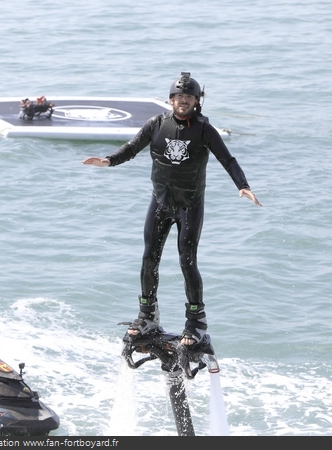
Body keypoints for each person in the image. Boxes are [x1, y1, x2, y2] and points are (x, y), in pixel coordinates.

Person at [82, 72, 262, 347]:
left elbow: (228, 159)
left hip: (189, 205)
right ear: (171, 99)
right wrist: (108, 161)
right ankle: (147, 315)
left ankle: (196, 323)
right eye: (179, 97)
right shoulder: (156, 124)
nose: (184, 101)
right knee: (149, 259)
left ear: (197, 101)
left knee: (187, 261)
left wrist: (243, 185)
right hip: (160, 202)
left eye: (189, 97)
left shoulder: (203, 130)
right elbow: (132, 148)